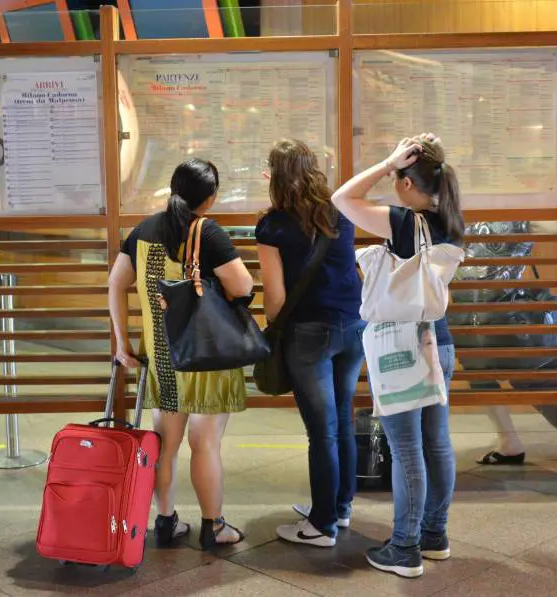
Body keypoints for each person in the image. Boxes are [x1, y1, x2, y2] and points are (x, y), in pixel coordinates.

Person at [332, 133, 463, 578]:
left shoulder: (405, 222)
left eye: (396, 178)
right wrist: (396, 165)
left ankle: (405, 548)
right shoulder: (450, 220)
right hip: (439, 341)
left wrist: (387, 162)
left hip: (401, 346)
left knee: (406, 449)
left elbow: (342, 198)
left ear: (407, 183)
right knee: (437, 443)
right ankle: (434, 536)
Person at [108, 158, 253, 550]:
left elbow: (116, 284)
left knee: (164, 447)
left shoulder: (142, 231)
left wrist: (122, 344)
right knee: (205, 445)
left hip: (163, 358)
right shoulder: (208, 233)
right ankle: (213, 527)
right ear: (210, 198)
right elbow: (243, 286)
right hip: (206, 357)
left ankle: (166, 522)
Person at [256, 139, 365, 548]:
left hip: (309, 335)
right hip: (353, 327)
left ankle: (321, 526)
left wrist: (272, 326)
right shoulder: (339, 212)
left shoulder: (273, 226)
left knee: (322, 431)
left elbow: (275, 297)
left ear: (276, 177)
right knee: (342, 420)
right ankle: (339, 507)